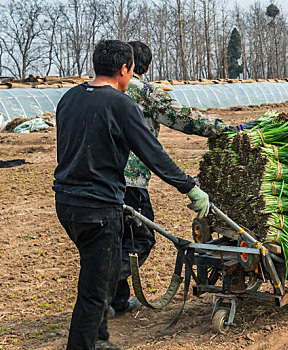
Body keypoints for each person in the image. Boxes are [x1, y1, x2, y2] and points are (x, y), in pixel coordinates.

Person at [53, 40, 209, 350]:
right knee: (96, 290)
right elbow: (152, 153)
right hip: (98, 209)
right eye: (132, 71)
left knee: (97, 274)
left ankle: (100, 339)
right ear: (124, 69)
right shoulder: (120, 104)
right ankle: (86, 345)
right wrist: (189, 186)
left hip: (66, 203)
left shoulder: (68, 98)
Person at [109, 40, 242, 317]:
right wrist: (228, 130)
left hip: (100, 180)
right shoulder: (146, 92)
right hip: (130, 182)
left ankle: (116, 301)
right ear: (138, 66)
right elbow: (185, 119)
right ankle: (102, 293)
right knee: (140, 240)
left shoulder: (98, 91)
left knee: (115, 240)